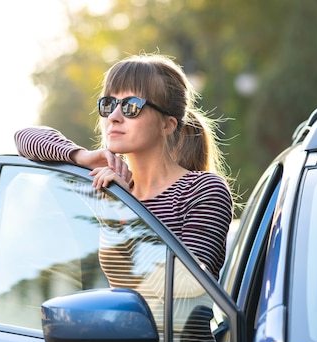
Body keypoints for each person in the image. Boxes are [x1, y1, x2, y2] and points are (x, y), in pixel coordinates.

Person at [15, 53, 234, 279]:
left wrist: (123, 211)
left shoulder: (203, 190)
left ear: (167, 125)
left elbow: (187, 285)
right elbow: (25, 138)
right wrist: (81, 157)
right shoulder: (108, 186)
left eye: (131, 106)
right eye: (108, 104)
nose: (114, 116)